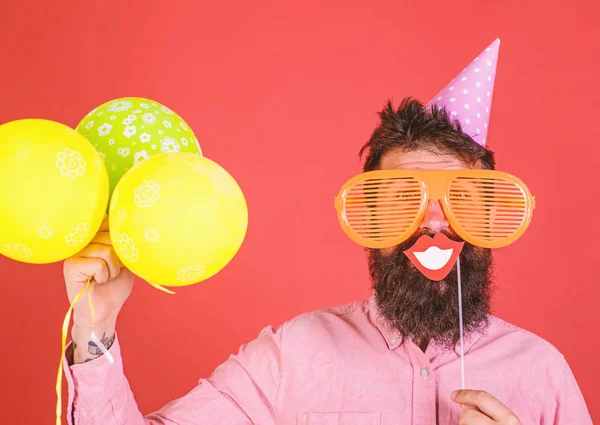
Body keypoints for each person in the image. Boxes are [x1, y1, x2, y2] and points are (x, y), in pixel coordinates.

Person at [62, 41, 593, 424]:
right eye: (398, 202)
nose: (434, 223)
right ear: (368, 228)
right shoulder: (295, 355)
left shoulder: (541, 373)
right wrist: (94, 329)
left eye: (463, 203)